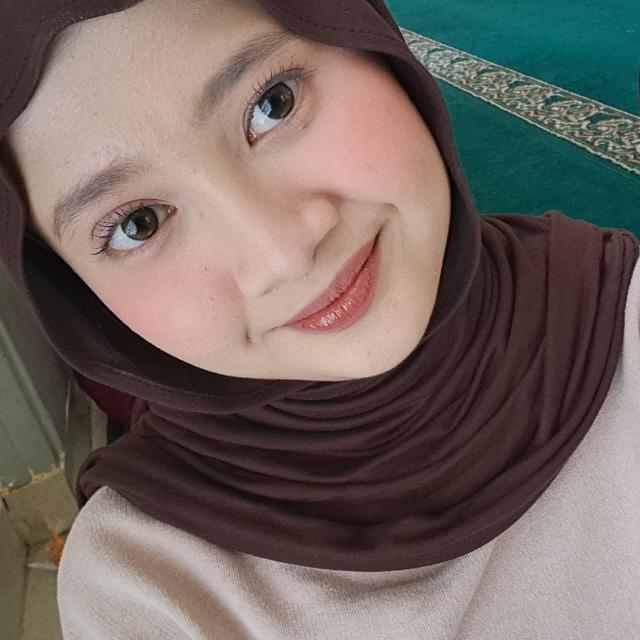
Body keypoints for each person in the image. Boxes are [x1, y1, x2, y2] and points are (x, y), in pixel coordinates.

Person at [1, 0, 639, 638]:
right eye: (138, 225)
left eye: (272, 104)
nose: (282, 255)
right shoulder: (141, 588)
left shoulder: (623, 315)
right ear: (70, 292)